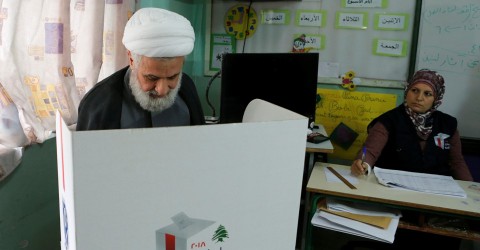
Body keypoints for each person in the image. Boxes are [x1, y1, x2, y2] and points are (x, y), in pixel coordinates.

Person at [76, 8, 205, 131]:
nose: (162, 90)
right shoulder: (99, 103)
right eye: (152, 78)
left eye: (172, 77)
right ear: (132, 60)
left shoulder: (187, 88)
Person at [351, 69, 473, 181]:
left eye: (427, 94)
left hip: (435, 189)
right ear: (407, 91)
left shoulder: (447, 124)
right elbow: (371, 151)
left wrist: (470, 187)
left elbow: (456, 162)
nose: (419, 98)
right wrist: (363, 164)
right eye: (414, 91)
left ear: (436, 99)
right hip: (393, 186)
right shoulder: (389, 120)